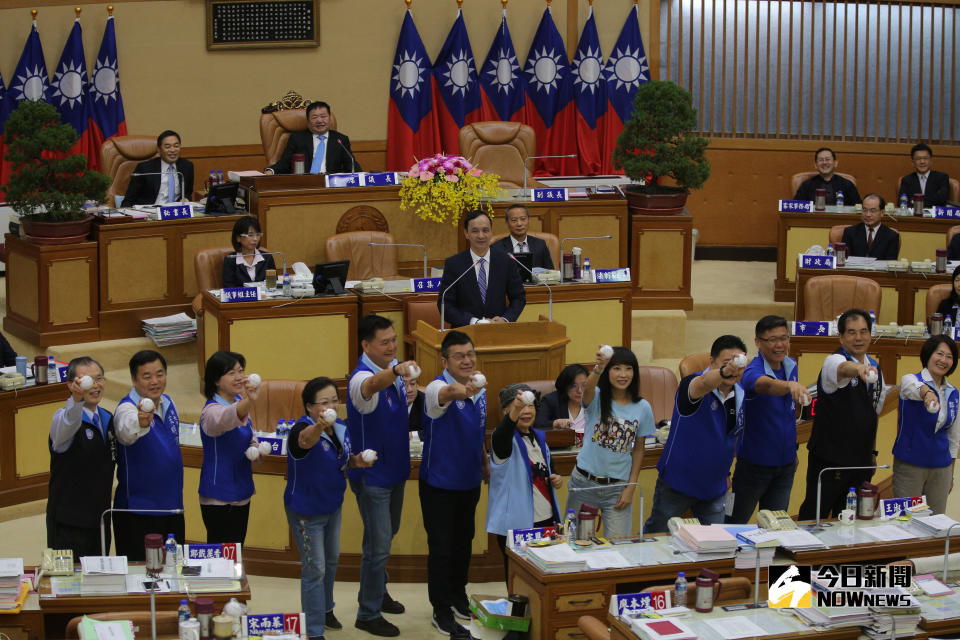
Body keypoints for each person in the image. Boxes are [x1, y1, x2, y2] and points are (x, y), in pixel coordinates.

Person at [346, 315, 420, 637]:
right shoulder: (361, 377)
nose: (392, 346)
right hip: (372, 476)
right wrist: (395, 372)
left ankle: (376, 591)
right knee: (378, 546)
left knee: (384, 537)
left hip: (396, 469)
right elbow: (371, 386)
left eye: (394, 340)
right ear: (366, 345)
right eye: (384, 342)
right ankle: (368, 613)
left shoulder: (396, 373)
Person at [286, 377, 373, 640]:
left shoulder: (340, 426)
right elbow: (304, 441)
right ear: (310, 407)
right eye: (324, 403)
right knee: (315, 568)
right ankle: (313, 631)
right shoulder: (303, 429)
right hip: (306, 511)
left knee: (331, 561)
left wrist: (358, 461)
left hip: (332, 505)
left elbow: (342, 461)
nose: (331, 406)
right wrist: (320, 426)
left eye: (334, 400)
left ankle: (325, 610)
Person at [420, 330, 489, 639]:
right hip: (439, 483)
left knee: (464, 543)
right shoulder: (437, 387)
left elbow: (478, 431)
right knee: (442, 548)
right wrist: (466, 389)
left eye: (470, 354)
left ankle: (459, 597)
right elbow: (448, 394)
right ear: (444, 360)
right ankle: (441, 609)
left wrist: (485, 462)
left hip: (469, 479)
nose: (467, 359)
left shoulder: (480, 388)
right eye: (459, 355)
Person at [645, 336, 747, 533]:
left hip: (715, 487)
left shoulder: (741, 393)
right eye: (727, 363)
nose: (734, 370)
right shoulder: (693, 384)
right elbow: (705, 383)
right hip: (678, 483)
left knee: (715, 544)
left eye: (739, 364)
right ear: (712, 362)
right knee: (657, 537)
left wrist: (726, 473)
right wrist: (724, 373)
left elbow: (729, 438)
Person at [798, 309, 888, 520]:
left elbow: (872, 415)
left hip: (861, 462)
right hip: (830, 461)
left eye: (864, 331)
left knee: (850, 521)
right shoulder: (833, 361)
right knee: (814, 516)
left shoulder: (875, 368)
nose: (859, 338)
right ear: (841, 336)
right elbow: (843, 368)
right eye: (852, 332)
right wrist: (858, 370)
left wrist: (872, 454)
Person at [565, 347, 655, 539]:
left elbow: (639, 451)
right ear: (608, 372)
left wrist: (631, 487)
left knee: (618, 551)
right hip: (584, 484)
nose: (623, 375)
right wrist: (598, 367)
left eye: (628, 368)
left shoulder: (643, 407)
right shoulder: (597, 397)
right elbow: (587, 389)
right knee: (574, 545)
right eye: (617, 368)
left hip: (617, 489)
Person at [728, 317, 806, 524]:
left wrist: (793, 450)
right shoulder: (752, 371)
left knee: (775, 526)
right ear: (758, 342)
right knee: (733, 523)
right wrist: (790, 386)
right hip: (753, 467)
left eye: (784, 338)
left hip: (785, 466)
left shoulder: (791, 366)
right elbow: (766, 386)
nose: (780, 345)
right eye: (772, 339)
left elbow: (788, 414)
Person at [112, 350, 184, 561]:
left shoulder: (168, 403)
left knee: (172, 571)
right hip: (138, 510)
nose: (155, 381)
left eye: (160, 374)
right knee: (139, 576)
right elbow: (126, 431)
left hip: (172, 507)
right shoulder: (126, 409)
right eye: (147, 376)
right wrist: (141, 422)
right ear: (134, 380)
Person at [487, 384, 562, 584]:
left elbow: (548, 469)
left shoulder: (539, 437)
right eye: (519, 407)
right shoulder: (502, 439)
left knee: (543, 575)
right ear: (506, 411)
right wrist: (514, 413)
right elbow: (502, 434)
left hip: (545, 519)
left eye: (530, 406)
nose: (526, 411)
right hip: (517, 524)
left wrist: (555, 477)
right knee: (519, 578)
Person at [47, 357, 114, 557]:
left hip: (100, 519)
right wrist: (75, 401)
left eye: (99, 378)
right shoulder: (63, 419)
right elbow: (69, 421)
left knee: (99, 582)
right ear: (71, 385)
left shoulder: (107, 418)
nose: (95, 385)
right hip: (68, 523)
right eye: (87, 380)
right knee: (68, 584)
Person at [893, 335, 960, 515]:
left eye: (949, 357)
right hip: (910, 465)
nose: (943, 360)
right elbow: (913, 387)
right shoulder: (911, 380)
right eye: (939, 354)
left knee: (936, 523)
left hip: (941, 468)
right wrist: (927, 393)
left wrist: (951, 474)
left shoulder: (954, 393)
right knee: (906, 521)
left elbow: (954, 439)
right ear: (928, 355)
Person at [198, 351, 260, 544]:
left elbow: (249, 434)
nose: (239, 377)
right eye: (231, 373)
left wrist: (255, 448)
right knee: (221, 560)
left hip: (241, 492)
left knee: (235, 556)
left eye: (241, 371)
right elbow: (226, 418)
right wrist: (250, 401)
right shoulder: (211, 411)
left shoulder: (240, 404)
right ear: (216, 380)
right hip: (219, 498)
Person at [436, 209, 525, 327]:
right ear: (466, 233)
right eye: (475, 231)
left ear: (491, 232)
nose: (481, 235)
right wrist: (473, 322)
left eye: (485, 230)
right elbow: (445, 304)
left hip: (498, 331)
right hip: (465, 332)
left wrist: (505, 319)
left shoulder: (505, 261)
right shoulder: (454, 264)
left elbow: (519, 298)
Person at [265, 101, 360, 175]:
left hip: (331, 186)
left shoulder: (340, 140)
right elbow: (285, 163)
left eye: (323, 116)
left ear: (330, 119)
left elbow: (351, 165)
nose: (319, 120)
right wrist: (270, 171)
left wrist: (363, 176)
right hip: (304, 184)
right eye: (314, 117)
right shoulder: (297, 139)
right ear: (308, 121)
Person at [121, 130, 195, 207]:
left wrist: (186, 199)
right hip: (150, 213)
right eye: (167, 147)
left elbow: (187, 193)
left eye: (176, 146)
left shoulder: (187, 166)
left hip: (175, 213)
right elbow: (129, 200)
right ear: (159, 150)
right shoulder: (144, 168)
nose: (173, 150)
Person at [492, 204, 555, 269]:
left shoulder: (540, 245)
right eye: (514, 220)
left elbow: (550, 272)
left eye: (523, 219)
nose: (519, 224)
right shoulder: (497, 248)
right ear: (507, 223)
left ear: (529, 220)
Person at [222, 216, 276, 289]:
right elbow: (229, 288)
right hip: (240, 300)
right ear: (238, 238)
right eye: (250, 235)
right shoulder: (230, 260)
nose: (255, 239)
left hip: (265, 298)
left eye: (258, 235)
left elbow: (273, 285)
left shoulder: (267, 257)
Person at [793, 147, 862, 205]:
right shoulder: (807, 185)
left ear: (835, 163)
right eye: (821, 160)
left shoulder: (847, 185)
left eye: (828, 159)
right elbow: (796, 206)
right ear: (815, 165)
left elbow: (858, 207)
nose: (824, 162)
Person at [841, 193, 900, 259]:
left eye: (873, 211)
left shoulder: (892, 236)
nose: (868, 214)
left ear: (882, 213)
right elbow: (843, 260)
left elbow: (890, 263)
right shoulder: (849, 232)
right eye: (864, 210)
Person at [535, 364, 588, 437]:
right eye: (573, 386)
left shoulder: (594, 400)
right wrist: (556, 423)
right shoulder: (551, 400)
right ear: (565, 386)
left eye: (584, 385)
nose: (580, 391)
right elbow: (537, 424)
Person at [897, 143, 951, 207]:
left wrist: (914, 200)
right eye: (918, 159)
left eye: (925, 158)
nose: (922, 162)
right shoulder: (906, 180)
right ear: (912, 162)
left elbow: (942, 200)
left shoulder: (942, 178)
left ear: (931, 160)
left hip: (935, 216)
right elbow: (902, 202)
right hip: (914, 216)